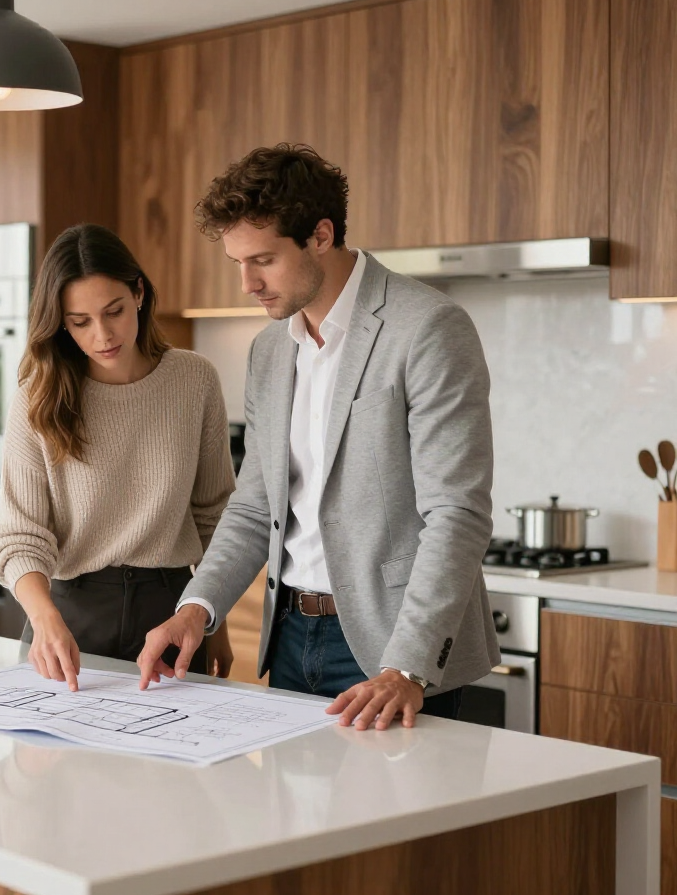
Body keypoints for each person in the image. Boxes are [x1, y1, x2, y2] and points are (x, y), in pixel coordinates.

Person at [137, 144, 500, 730]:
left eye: (263, 260)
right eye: (237, 262)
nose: (247, 283)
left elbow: (457, 512)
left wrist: (407, 666)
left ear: (322, 235)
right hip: (289, 640)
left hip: (391, 653)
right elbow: (255, 503)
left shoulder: (428, 328)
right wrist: (196, 608)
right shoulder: (269, 349)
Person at [0, 223, 236, 689]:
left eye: (114, 311)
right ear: (61, 322)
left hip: (173, 614)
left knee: (173, 758)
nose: (102, 334)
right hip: (67, 616)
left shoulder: (194, 380)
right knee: (58, 760)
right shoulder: (37, 398)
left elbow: (216, 518)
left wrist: (211, 618)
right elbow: (19, 536)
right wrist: (44, 619)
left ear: (138, 292)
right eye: (80, 321)